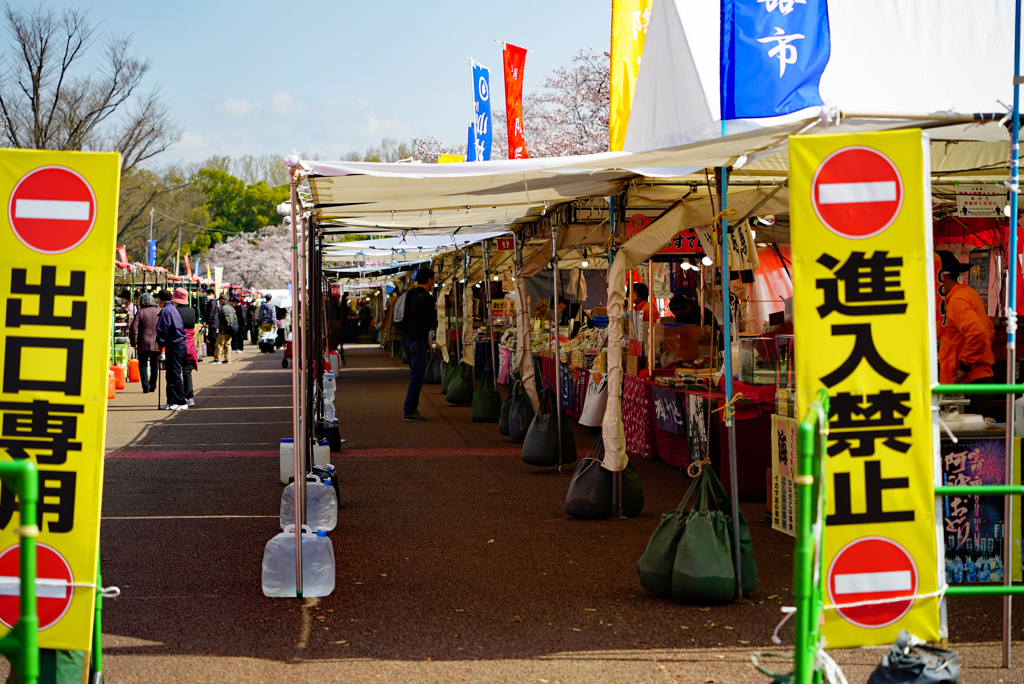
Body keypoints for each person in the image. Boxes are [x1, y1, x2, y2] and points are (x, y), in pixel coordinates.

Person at [936, 250, 995, 415]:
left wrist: (965, 365)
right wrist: (977, 355)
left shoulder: (957, 300)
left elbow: (978, 333)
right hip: (976, 379)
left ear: (942, 276)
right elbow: (988, 328)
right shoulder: (967, 293)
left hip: (968, 383)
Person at [399, 267, 437, 421]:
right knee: (417, 376)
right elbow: (430, 321)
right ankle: (409, 410)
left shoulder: (410, 294)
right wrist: (435, 322)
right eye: (433, 279)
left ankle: (411, 409)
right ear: (429, 280)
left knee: (415, 374)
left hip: (406, 338)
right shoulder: (427, 297)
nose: (433, 282)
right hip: (418, 339)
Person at [155, 289, 188, 410]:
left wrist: (159, 343)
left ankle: (180, 402)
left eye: (157, 299)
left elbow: (163, 329)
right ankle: (171, 401)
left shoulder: (165, 310)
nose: (157, 301)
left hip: (174, 345)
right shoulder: (172, 309)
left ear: (161, 300)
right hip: (177, 345)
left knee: (174, 375)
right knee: (170, 375)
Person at [129, 292, 161, 393]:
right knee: (154, 364)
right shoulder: (158, 311)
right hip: (156, 342)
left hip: (143, 341)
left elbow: (133, 328)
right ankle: (153, 385)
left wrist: (133, 342)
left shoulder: (140, 312)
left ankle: (145, 385)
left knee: (143, 364)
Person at [174, 288, 199, 408]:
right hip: (190, 344)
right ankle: (190, 397)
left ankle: (179, 397)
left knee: (176, 372)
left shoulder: (174, 311)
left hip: (178, 343)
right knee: (187, 372)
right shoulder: (193, 311)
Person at [211, 293, 237, 364]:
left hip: (224, 329)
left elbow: (226, 318)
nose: (219, 302)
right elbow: (235, 318)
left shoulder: (223, 308)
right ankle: (227, 359)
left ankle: (217, 359)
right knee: (228, 344)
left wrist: (228, 326)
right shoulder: (231, 308)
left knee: (219, 344)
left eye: (220, 300)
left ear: (223, 301)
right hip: (231, 329)